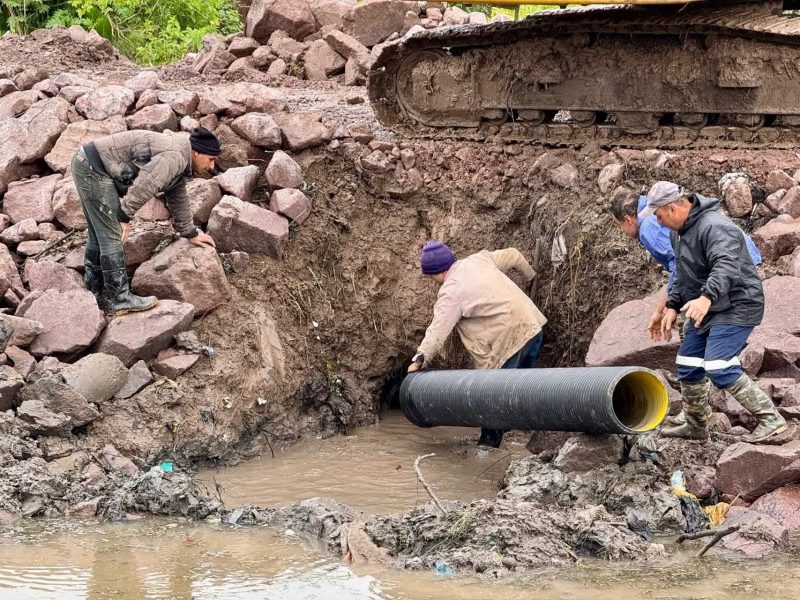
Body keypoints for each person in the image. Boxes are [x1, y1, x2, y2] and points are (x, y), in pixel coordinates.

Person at [642, 181, 785, 442]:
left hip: (738, 302)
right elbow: (683, 274)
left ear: (672, 208)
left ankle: (771, 419)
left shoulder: (714, 226)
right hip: (708, 306)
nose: (658, 222)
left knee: (718, 365)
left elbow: (727, 265)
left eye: (659, 215)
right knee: (688, 364)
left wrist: (706, 297)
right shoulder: (679, 232)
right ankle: (696, 426)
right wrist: (673, 306)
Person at [611, 188, 763, 425]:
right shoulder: (668, 217)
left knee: (707, 351)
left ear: (628, 219)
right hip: (722, 270)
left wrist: (666, 306)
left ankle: (755, 415)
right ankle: (696, 415)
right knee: (689, 354)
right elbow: (682, 267)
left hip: (729, 276)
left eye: (620, 226)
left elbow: (680, 265)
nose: (658, 220)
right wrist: (670, 304)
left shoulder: (650, 226)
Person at [407, 241, 547, 448]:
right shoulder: (479, 259)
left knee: (491, 400)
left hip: (508, 341)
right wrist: (530, 277)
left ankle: (487, 451)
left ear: (434, 273)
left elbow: (438, 330)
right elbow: (513, 254)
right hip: (533, 328)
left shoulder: (451, 291)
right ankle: (527, 441)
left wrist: (420, 359)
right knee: (519, 392)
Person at [71, 128, 219, 315]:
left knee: (99, 231)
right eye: (211, 159)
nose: (212, 166)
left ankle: (95, 288)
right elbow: (146, 184)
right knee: (112, 233)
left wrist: (190, 232)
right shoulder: (174, 156)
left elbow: (177, 194)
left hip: (88, 162)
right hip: (94, 168)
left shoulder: (182, 157)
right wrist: (124, 217)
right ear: (197, 153)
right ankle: (119, 298)